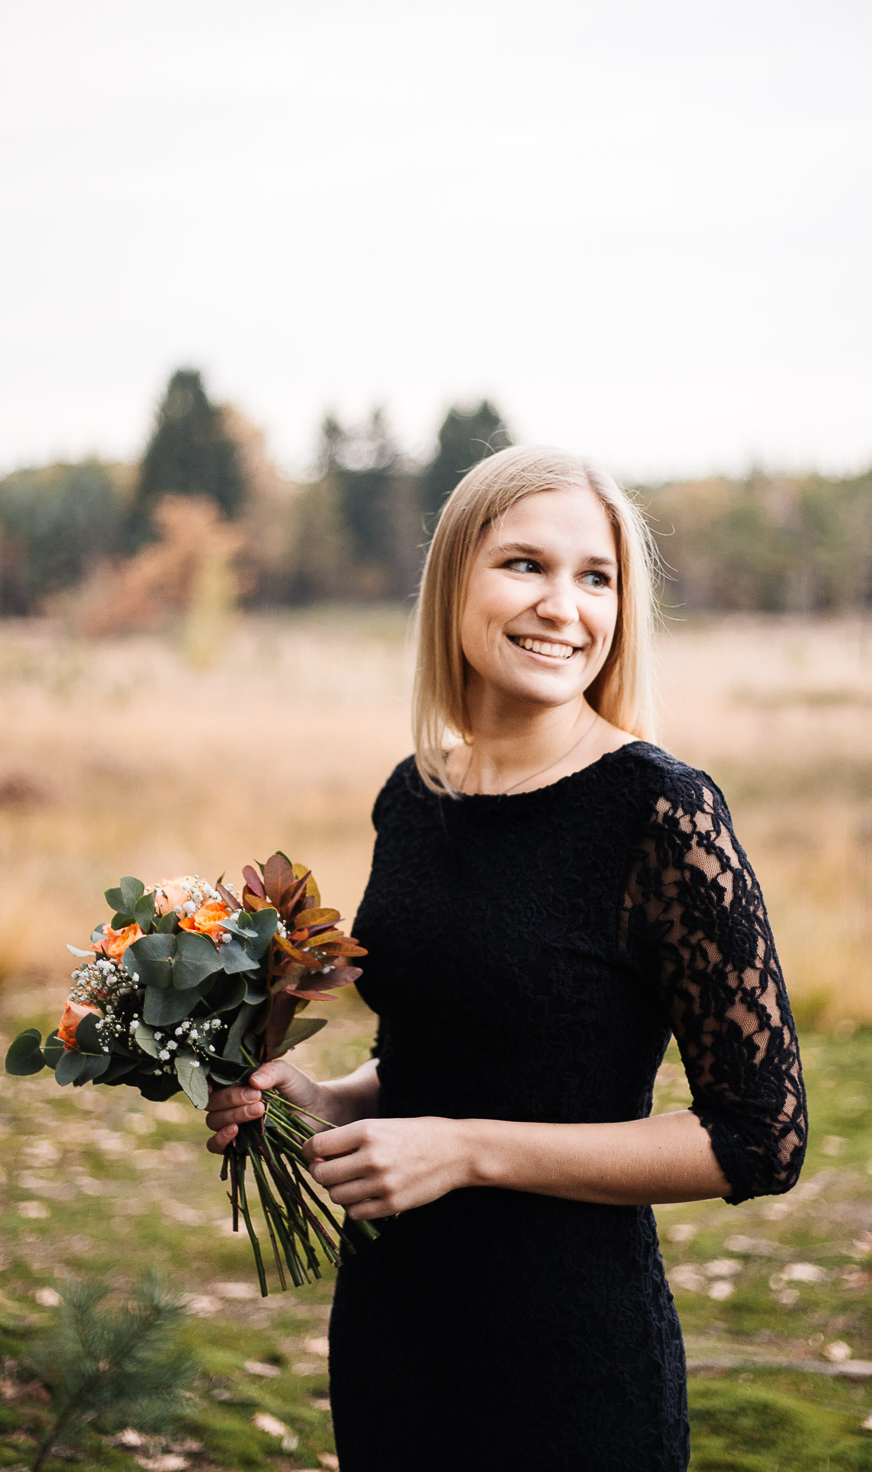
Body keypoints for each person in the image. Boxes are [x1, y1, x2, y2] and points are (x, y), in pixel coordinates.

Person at [205, 445, 808, 1472]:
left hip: (569, 1356)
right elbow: (456, 1051)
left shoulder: (659, 812)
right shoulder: (414, 795)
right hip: (396, 1327)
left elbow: (760, 1139)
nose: (562, 607)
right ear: (454, 582)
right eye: (525, 564)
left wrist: (468, 1151)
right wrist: (321, 1100)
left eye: (595, 577)